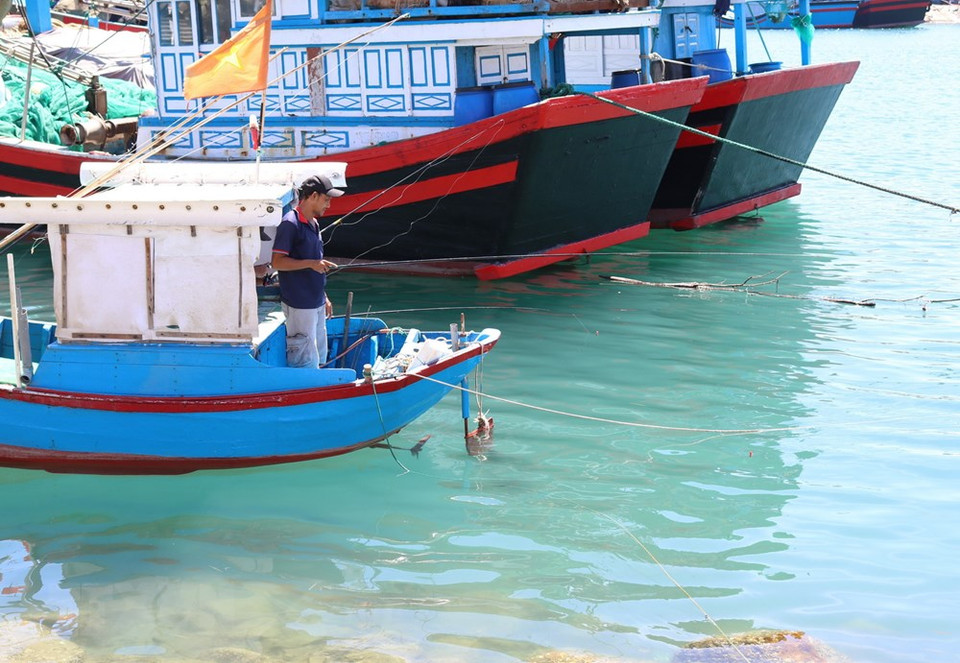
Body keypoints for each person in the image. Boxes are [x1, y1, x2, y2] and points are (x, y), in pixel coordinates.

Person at [271, 175, 344, 368]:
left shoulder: (314, 224)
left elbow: (315, 262)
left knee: (319, 355)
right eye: (326, 199)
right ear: (313, 196)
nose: (328, 205)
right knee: (304, 359)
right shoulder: (290, 223)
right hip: (300, 304)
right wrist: (312, 264)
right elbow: (277, 262)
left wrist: (323, 296)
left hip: (316, 301)